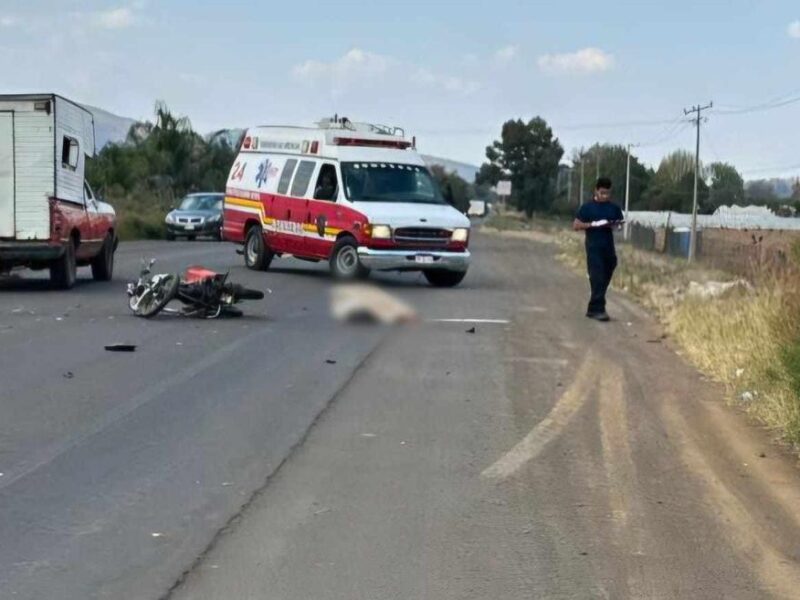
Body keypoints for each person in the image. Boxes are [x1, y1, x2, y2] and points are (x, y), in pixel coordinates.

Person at [573, 177, 624, 321]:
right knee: (597, 276)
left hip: (608, 247)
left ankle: (593, 308)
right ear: (596, 190)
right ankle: (598, 309)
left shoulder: (614, 208)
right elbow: (576, 225)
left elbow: (619, 225)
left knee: (606, 274)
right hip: (593, 247)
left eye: (607, 193)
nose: (604, 196)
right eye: (602, 193)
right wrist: (593, 225)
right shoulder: (587, 207)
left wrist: (614, 224)